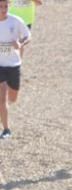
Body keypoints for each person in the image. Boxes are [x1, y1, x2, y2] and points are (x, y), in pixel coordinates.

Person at [0, 0, 30, 140]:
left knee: (13, 98)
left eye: (6, 6)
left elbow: (27, 35)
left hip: (13, 65)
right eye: (0, 6)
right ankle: (6, 129)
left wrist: (20, 43)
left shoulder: (16, 21)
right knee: (2, 97)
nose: (3, 9)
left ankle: (4, 111)